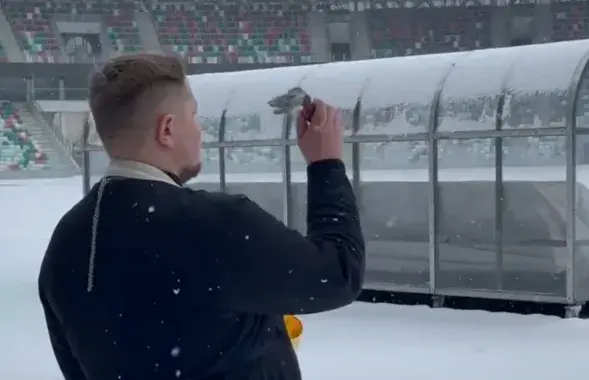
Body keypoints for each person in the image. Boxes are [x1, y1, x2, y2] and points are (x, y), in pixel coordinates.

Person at [38, 53, 365, 380]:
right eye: (194, 116)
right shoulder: (217, 224)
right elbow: (338, 273)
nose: (200, 132)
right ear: (167, 129)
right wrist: (326, 165)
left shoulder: (67, 242)